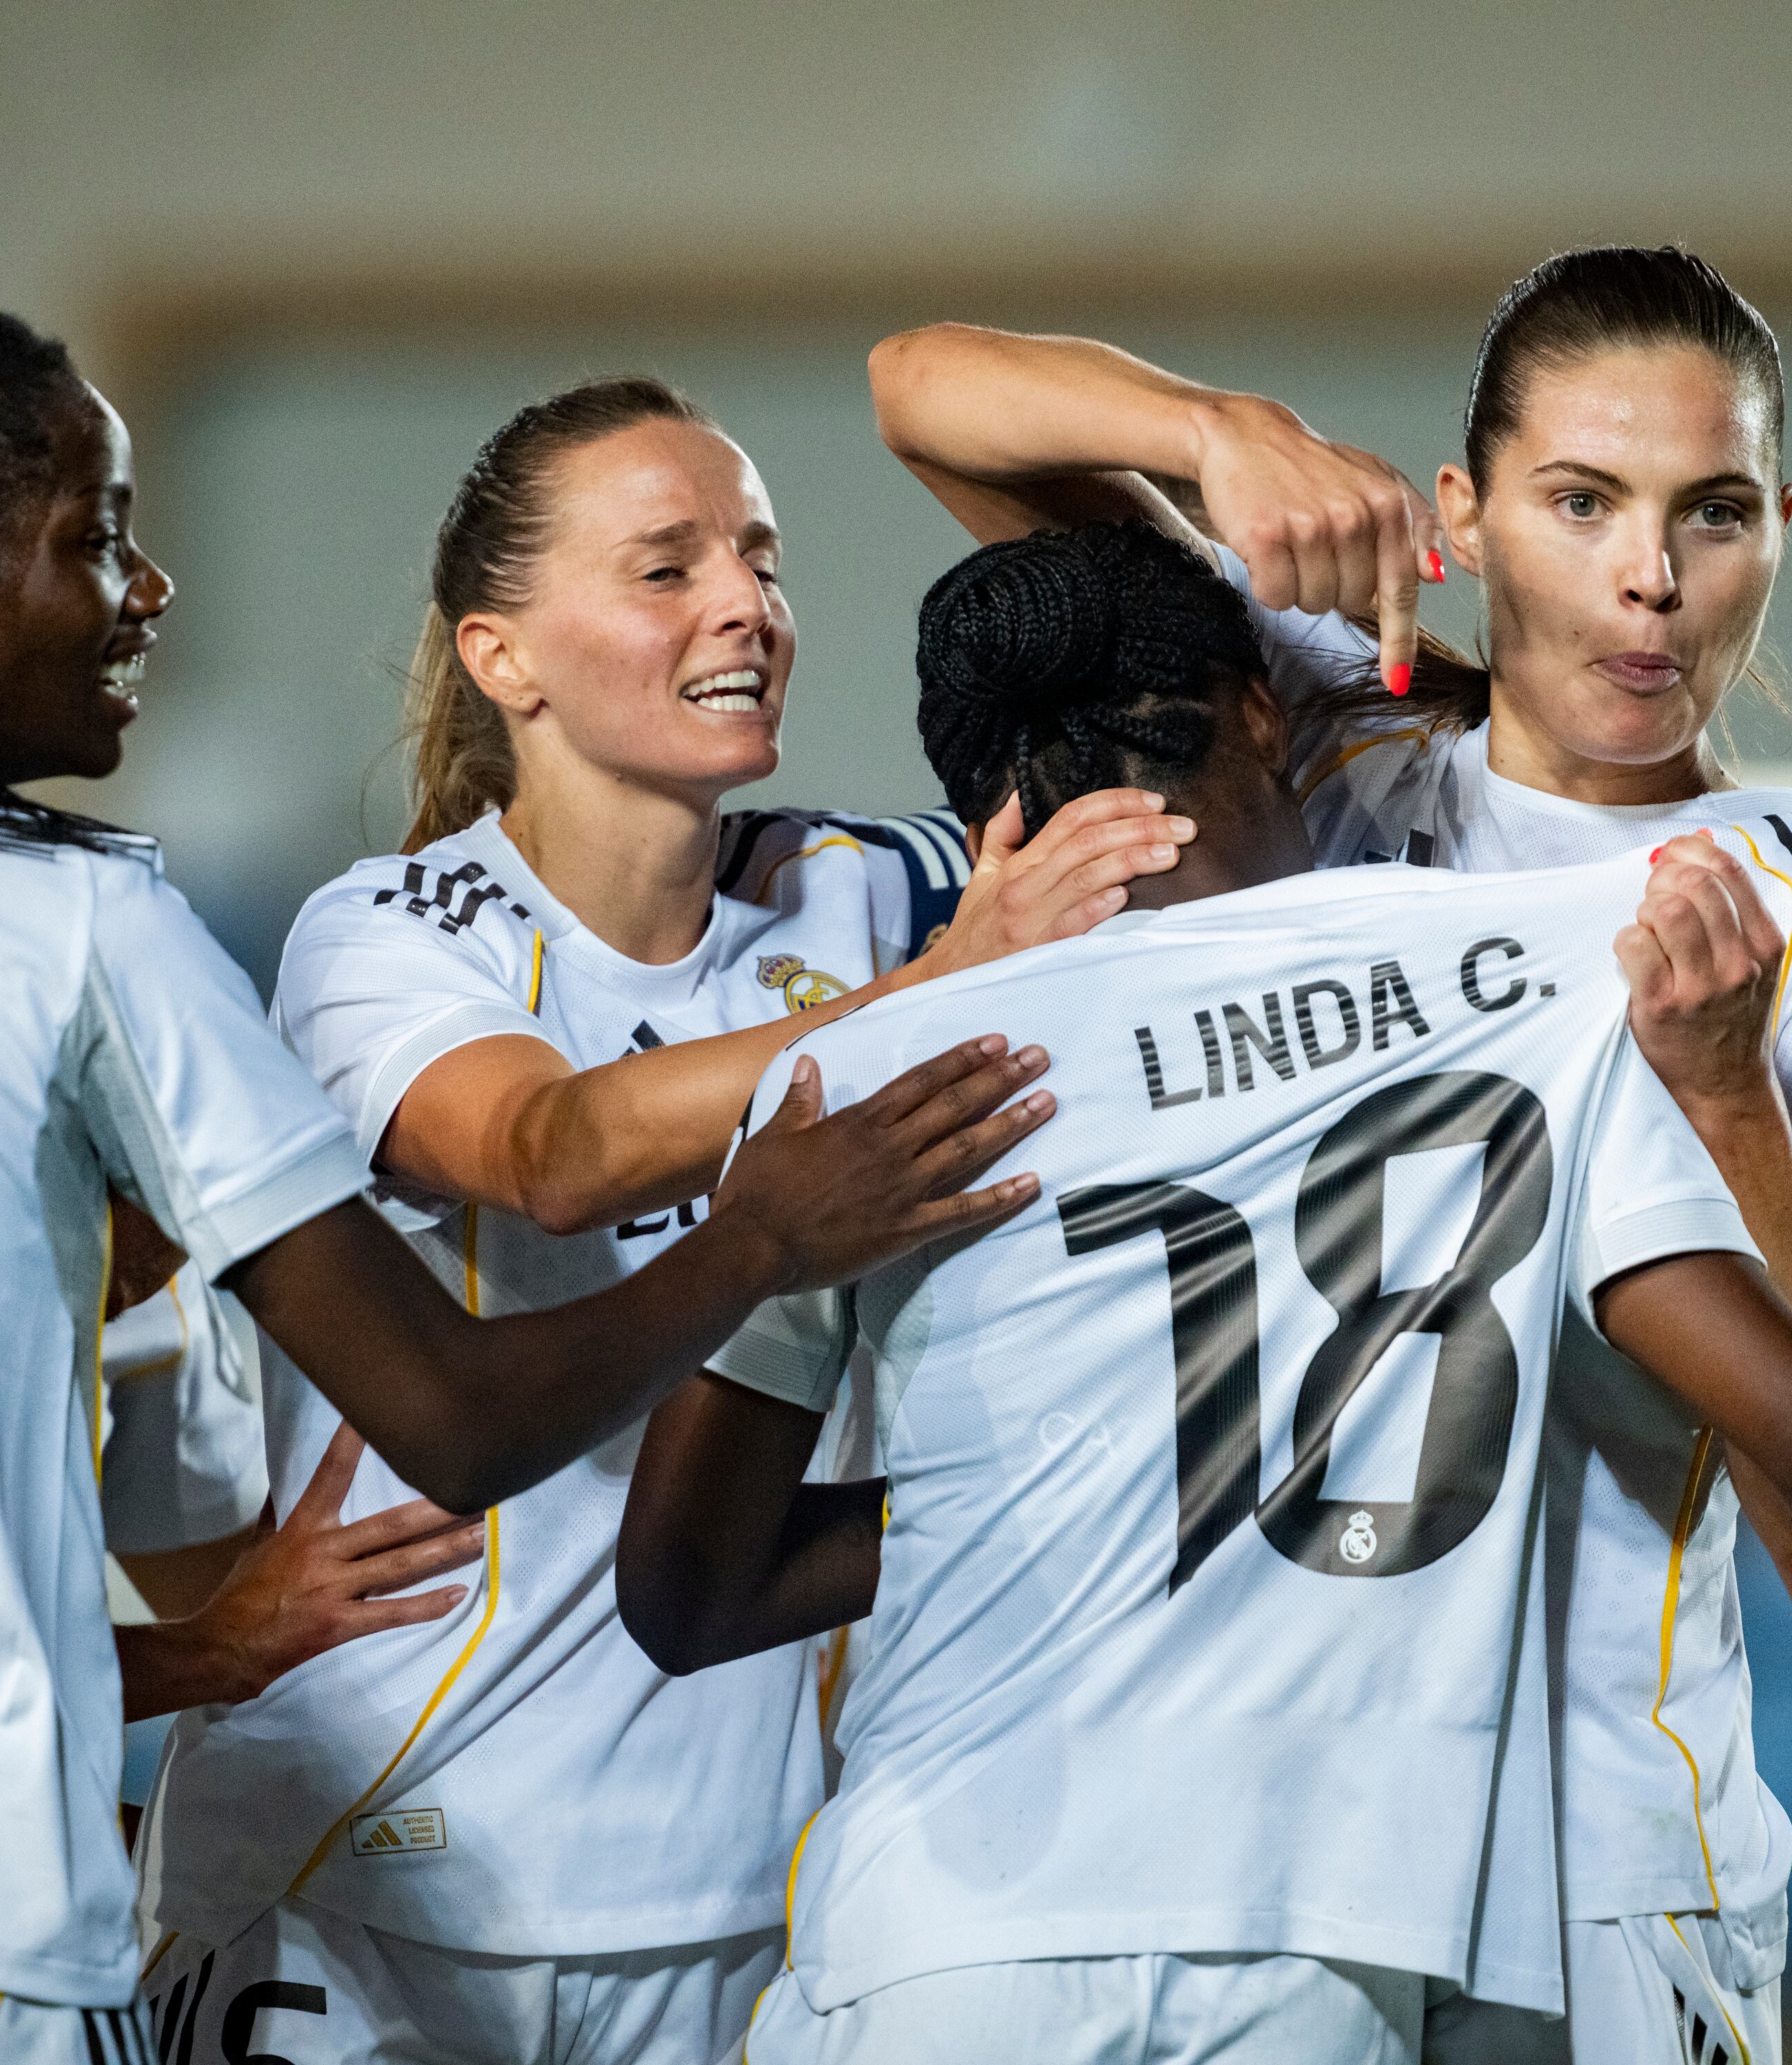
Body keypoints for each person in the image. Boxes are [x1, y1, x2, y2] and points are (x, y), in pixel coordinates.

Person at [0, 277, 1047, 2065]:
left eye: (764, 558)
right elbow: (466, 1387)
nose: (145, 593)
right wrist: (764, 1233)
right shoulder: (79, 919)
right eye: (92, 542)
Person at [616, 521, 1792, 2064]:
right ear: (1258, 712)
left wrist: (1037, 1496)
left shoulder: (859, 1074)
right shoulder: (1534, 981)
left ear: (980, 812)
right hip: (1311, 1953)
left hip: (929, 1948)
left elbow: (691, 1590)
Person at [866, 247, 1792, 2059]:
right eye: (1582, 502)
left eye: (1709, 513)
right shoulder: (1337, 735)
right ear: (1464, 516)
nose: (1646, 577)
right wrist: (1210, 435)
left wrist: (1722, 1098)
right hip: (1285, 1861)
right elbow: (920, 388)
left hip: (1598, 1868)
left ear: (1779, 528)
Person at [138, 375, 1189, 2065]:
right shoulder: (391, 928)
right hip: (383, 1856)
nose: (747, 607)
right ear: (503, 656)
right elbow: (554, 1148)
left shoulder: (870, 884)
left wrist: (1204, 451)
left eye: (762, 561)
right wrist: (940, 989)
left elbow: (1152, 663)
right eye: (666, 567)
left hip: (729, 1879)